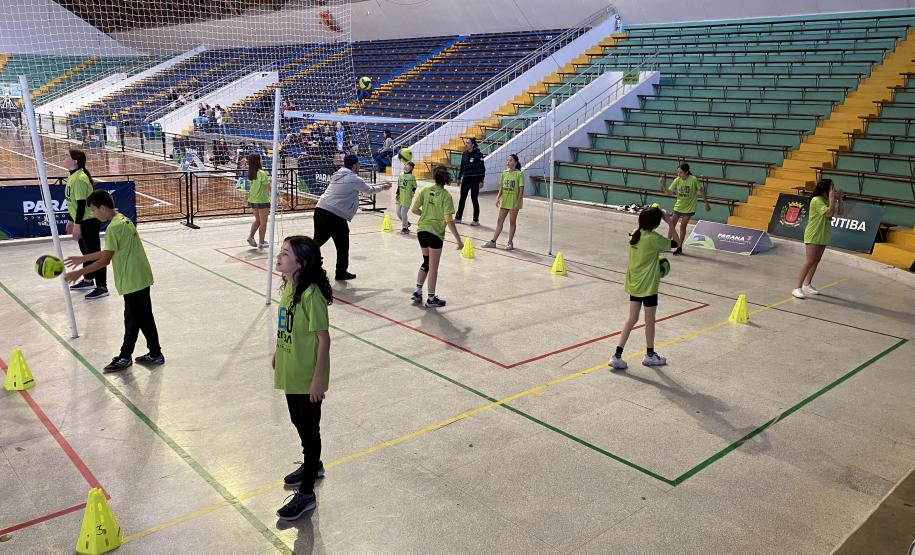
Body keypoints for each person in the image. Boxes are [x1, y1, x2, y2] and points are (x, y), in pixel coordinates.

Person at [63, 190, 163, 372]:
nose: (93, 214)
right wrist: (82, 258)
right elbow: (110, 251)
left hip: (132, 280)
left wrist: (80, 272)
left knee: (132, 320)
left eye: (93, 210)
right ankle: (155, 353)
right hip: (140, 277)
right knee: (144, 317)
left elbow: (106, 259)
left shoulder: (113, 228)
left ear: (102, 207)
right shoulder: (122, 219)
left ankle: (125, 357)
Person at [273, 235, 332, 521]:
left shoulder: (311, 295)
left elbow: (323, 339)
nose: (279, 257)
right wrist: (277, 351)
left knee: (310, 431)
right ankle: (313, 464)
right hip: (290, 368)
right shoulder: (290, 286)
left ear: (301, 263)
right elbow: (286, 322)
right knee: (298, 421)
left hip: (307, 375)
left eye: (285, 254)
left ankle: (307, 493)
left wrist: (317, 379)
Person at [609, 206, 672, 370]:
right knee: (649, 321)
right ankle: (650, 355)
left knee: (632, 319)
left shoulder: (633, 233)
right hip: (649, 286)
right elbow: (676, 243)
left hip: (634, 284)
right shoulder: (654, 238)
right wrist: (670, 223)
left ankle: (617, 355)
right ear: (656, 224)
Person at [314, 154, 391, 280]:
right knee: (343, 244)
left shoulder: (339, 173)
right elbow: (369, 190)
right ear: (355, 165)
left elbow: (361, 185)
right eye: (359, 164)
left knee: (318, 240)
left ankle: (301, 257)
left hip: (320, 209)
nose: (359, 166)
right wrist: (383, 187)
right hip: (334, 214)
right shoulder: (353, 178)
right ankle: (341, 272)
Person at [411, 166, 463, 308]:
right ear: (445, 178)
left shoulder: (426, 190)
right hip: (435, 233)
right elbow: (448, 220)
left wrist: (426, 215)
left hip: (421, 231)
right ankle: (431, 299)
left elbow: (414, 209)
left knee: (426, 262)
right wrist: (459, 241)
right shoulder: (446, 196)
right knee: (433, 267)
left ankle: (417, 291)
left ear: (434, 177)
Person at [64, 149, 108, 300]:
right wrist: (71, 220)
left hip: (88, 221)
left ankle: (102, 287)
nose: (64, 158)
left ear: (75, 161)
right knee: (87, 253)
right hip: (82, 220)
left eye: (67, 156)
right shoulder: (72, 177)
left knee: (95, 254)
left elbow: (82, 205)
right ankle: (89, 280)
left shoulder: (80, 178)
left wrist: (77, 225)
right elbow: (74, 203)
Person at [793, 179, 843, 299]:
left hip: (823, 234)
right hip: (814, 233)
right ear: (826, 190)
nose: (834, 190)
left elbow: (840, 212)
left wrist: (839, 199)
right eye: (832, 188)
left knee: (816, 261)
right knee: (809, 261)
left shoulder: (826, 200)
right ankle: (797, 287)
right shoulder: (817, 200)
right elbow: (829, 214)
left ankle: (807, 284)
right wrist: (832, 198)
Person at [660, 163, 709, 255]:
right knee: (672, 224)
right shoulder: (677, 180)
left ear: (686, 172)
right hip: (679, 206)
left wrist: (706, 203)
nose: (678, 174)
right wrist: (663, 186)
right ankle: (667, 245)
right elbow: (670, 193)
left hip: (689, 208)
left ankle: (679, 247)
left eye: (681, 172)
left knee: (683, 226)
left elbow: (701, 191)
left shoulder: (693, 179)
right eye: (678, 172)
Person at [482, 154, 524, 250]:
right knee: (499, 221)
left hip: (514, 202)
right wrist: (498, 197)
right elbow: (502, 187)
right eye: (507, 160)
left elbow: (521, 190)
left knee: (512, 222)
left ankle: (510, 242)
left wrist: (517, 203)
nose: (508, 162)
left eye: (510, 160)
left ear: (515, 162)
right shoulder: (504, 173)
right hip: (505, 201)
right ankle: (493, 242)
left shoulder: (519, 174)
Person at [455, 138, 485, 226]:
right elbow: (462, 167)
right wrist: (459, 178)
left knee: (474, 199)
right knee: (462, 198)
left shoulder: (479, 155)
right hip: (466, 179)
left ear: (472, 145)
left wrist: (481, 180)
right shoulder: (464, 154)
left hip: (475, 179)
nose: (466, 144)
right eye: (466, 143)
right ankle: (458, 218)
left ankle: (476, 220)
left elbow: (482, 168)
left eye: (468, 143)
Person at [245, 153, 271, 249]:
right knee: (263, 222)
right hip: (262, 200)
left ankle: (251, 237)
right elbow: (269, 187)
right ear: (258, 161)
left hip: (252, 199)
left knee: (258, 220)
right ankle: (261, 242)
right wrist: (277, 195)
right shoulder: (262, 173)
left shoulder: (251, 172)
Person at [396, 161, 417, 233]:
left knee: (403, 213)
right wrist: (397, 194)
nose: (405, 166)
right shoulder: (401, 175)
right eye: (405, 165)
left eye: (407, 165)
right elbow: (399, 186)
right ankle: (407, 223)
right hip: (400, 197)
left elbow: (414, 186)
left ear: (411, 168)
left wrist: (413, 191)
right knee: (398, 212)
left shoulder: (412, 177)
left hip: (407, 198)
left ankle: (405, 228)